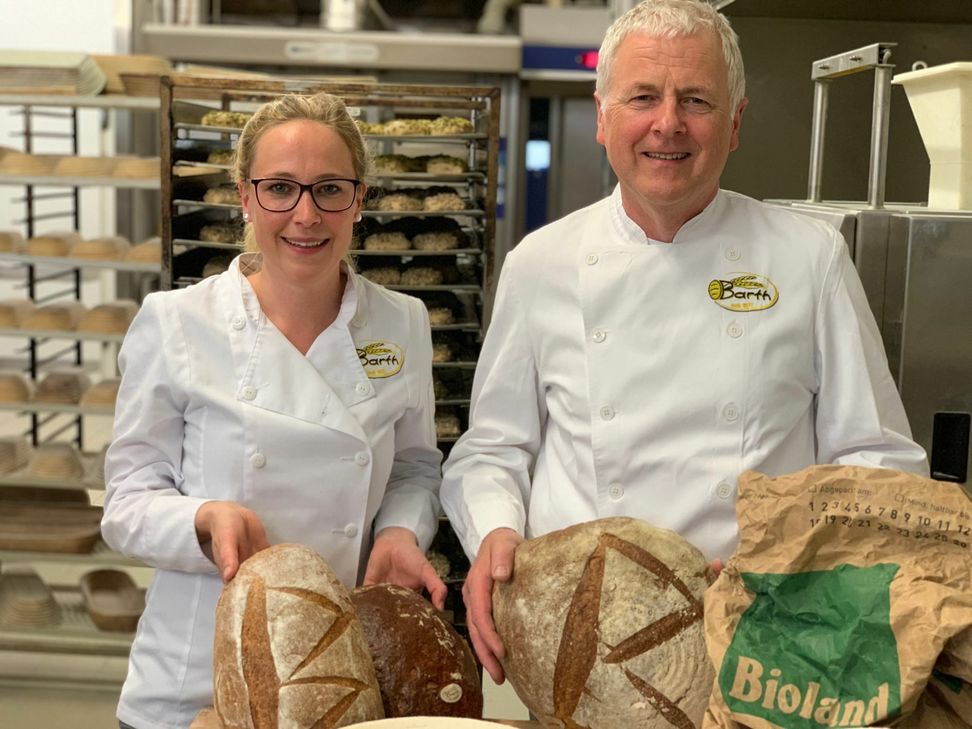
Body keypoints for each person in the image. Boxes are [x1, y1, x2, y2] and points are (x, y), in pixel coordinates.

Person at [440, 0, 929, 685]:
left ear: (733, 123)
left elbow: (876, 461)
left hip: (759, 638)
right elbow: (494, 449)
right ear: (604, 114)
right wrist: (495, 531)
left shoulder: (809, 258)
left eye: (695, 99)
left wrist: (799, 566)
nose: (668, 123)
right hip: (573, 648)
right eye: (643, 97)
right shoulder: (540, 263)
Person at [101, 92, 445, 729]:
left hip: (336, 675)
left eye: (329, 189)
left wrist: (400, 532)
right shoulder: (176, 324)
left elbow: (416, 470)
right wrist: (203, 518)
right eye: (280, 188)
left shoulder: (403, 322)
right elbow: (124, 505)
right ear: (244, 196)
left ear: (360, 199)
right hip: (193, 675)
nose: (306, 215)